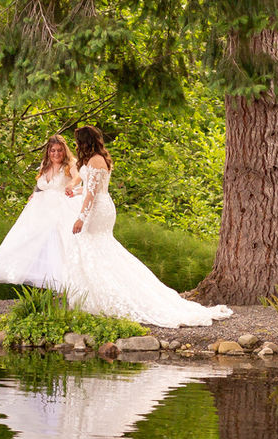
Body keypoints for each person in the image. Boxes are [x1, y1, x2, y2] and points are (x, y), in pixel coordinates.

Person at [60, 126, 233, 327]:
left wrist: (81, 216)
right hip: (100, 205)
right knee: (99, 249)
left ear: (84, 142)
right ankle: (94, 296)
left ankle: (111, 295)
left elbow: (93, 193)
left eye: (77, 141)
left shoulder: (96, 160)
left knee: (95, 247)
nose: (76, 145)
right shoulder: (97, 159)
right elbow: (91, 188)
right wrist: (77, 192)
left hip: (97, 210)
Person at [0, 135, 84, 290]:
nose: (56, 154)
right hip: (41, 209)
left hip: (60, 208)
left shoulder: (70, 163)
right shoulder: (45, 164)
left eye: (59, 150)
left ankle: (64, 285)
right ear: (48, 151)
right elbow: (40, 184)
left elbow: (78, 177)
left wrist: (71, 184)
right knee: (33, 243)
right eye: (52, 150)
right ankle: (47, 284)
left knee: (57, 242)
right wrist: (34, 193)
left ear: (64, 150)